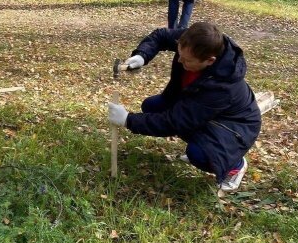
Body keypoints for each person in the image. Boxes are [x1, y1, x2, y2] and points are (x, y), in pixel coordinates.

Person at [108, 22, 261, 192]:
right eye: (179, 53)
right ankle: (203, 141)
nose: (180, 60)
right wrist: (142, 55)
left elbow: (175, 122)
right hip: (200, 108)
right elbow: (160, 36)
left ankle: (235, 164)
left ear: (210, 61)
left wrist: (128, 120)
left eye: (187, 60)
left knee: (198, 154)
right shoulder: (194, 41)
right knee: (151, 106)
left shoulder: (221, 88)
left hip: (235, 127)